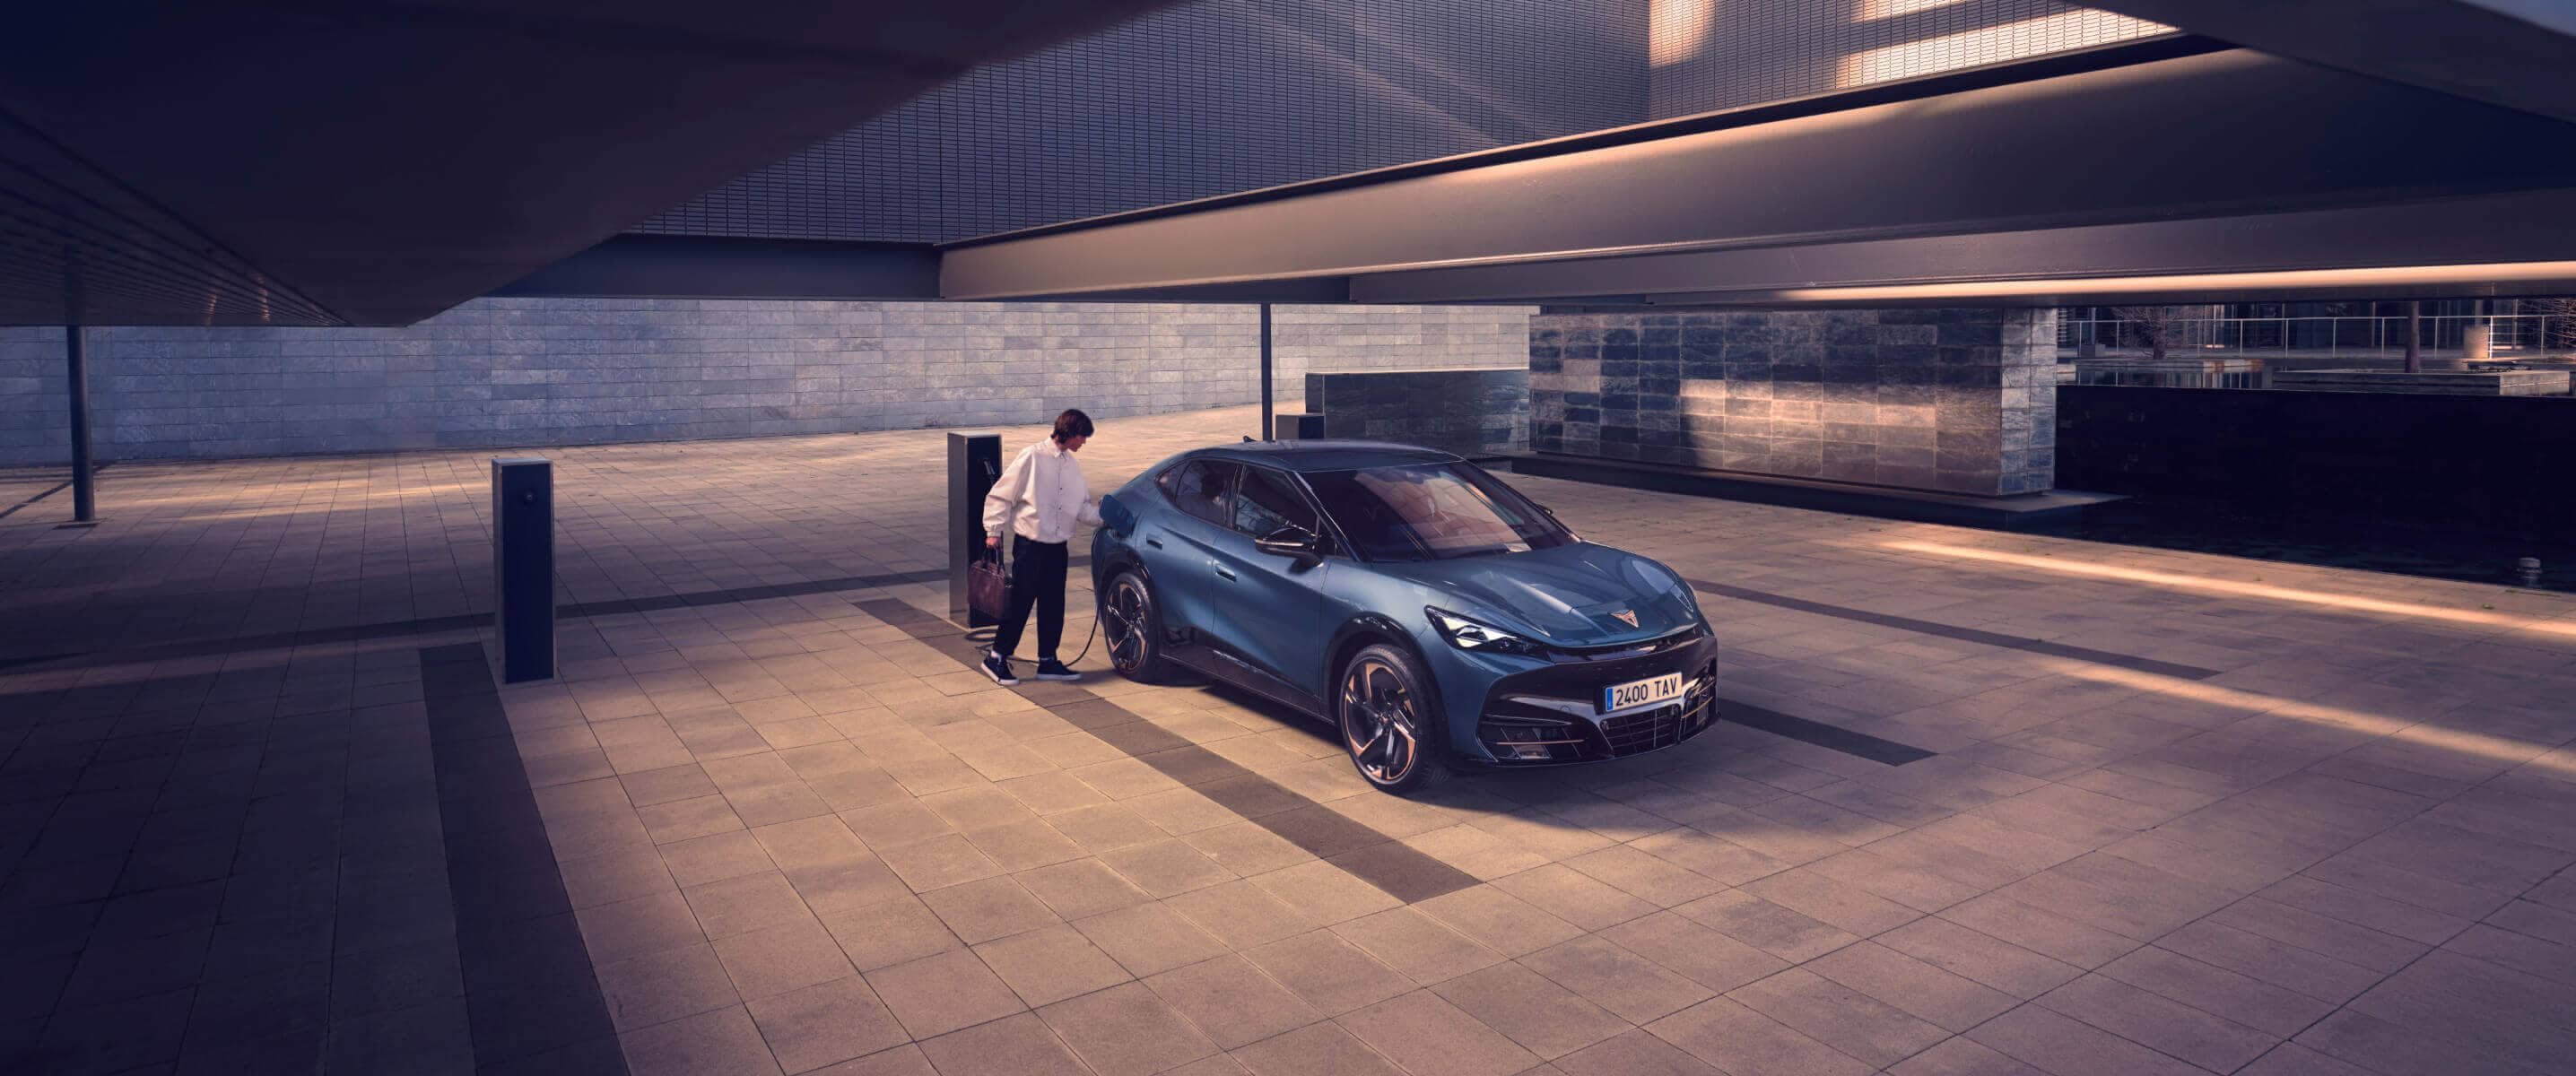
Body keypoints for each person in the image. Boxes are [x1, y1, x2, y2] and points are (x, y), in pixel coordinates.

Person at [979, 409, 1101, 686]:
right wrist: (993, 530)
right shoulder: (1031, 457)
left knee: (1054, 605)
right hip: (1030, 547)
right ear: (1068, 433)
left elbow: (1081, 508)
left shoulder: (1072, 465)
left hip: (1058, 548)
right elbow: (1001, 494)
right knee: (1020, 602)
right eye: (1082, 436)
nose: (1084, 442)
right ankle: (996, 657)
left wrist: (1104, 516)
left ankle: (1048, 660)